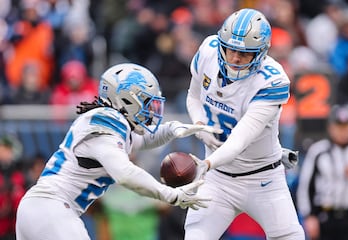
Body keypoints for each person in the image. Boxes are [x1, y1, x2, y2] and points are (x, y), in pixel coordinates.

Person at [15, 63, 220, 240]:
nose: (152, 111)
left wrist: (173, 129)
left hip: (40, 207)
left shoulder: (111, 122)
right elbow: (126, 174)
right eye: (147, 103)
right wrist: (170, 194)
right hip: (53, 208)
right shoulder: (107, 124)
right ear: (127, 100)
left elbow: (141, 141)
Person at [184, 8, 305, 239]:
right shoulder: (209, 50)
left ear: (261, 53)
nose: (236, 58)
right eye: (231, 50)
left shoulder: (272, 80)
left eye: (245, 53)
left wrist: (206, 164)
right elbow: (193, 97)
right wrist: (200, 126)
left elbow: (239, 140)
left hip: (262, 179)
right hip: (218, 178)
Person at [296, 105, 348, 240]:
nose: (343, 131)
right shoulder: (319, 151)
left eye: (346, 127)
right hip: (325, 216)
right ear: (331, 128)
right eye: (339, 127)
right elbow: (306, 186)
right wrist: (309, 216)